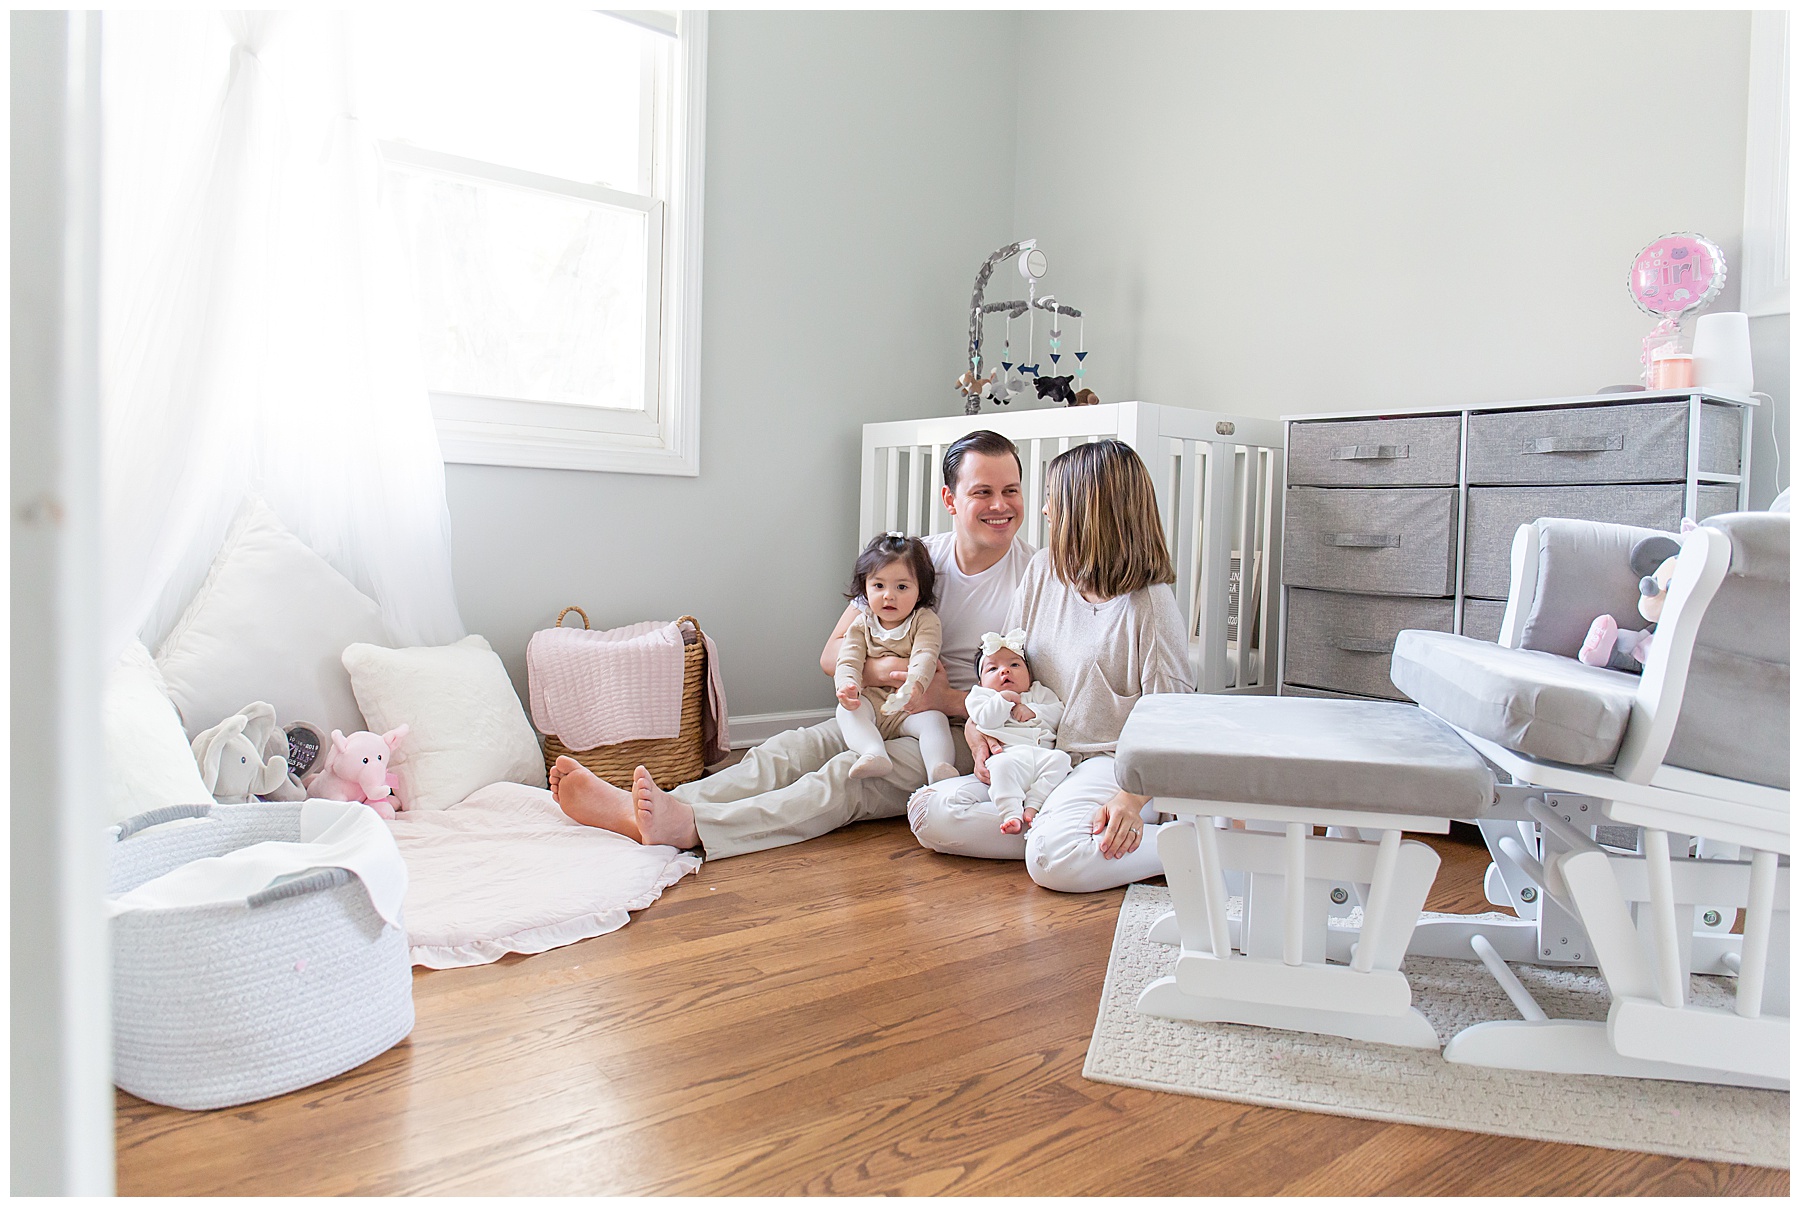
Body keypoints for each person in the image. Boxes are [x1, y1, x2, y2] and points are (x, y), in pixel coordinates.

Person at [551, 430, 1036, 857]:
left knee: (843, 779)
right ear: (951, 500)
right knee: (786, 752)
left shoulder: (1035, 577)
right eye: (983, 492)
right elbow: (832, 654)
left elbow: (1038, 692)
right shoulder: (914, 562)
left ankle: (693, 827)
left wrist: (946, 699)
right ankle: (660, 805)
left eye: (1011, 490)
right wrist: (878, 675)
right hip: (879, 707)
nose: (1001, 505)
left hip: (958, 731)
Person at [908, 438, 1193, 891]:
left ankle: (1190, 845)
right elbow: (1006, 663)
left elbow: (1174, 722)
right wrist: (978, 726)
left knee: (1052, 862)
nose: (1043, 512)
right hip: (1039, 749)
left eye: (1052, 501)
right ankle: (1058, 830)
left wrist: (1130, 800)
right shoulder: (1044, 570)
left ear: (1086, 512)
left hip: (1110, 766)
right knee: (929, 812)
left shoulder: (1149, 605)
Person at [833, 532, 957, 784]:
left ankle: (940, 768)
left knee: (935, 721)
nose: (889, 595)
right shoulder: (861, 624)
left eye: (901, 587)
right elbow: (848, 660)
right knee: (845, 714)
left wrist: (916, 685)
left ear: (920, 591)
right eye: (879, 586)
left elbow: (926, 655)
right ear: (865, 588)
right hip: (871, 704)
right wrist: (847, 686)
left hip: (911, 707)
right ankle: (873, 753)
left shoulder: (924, 621)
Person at [963, 629, 1068, 835]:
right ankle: (1011, 813)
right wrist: (1006, 699)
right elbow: (985, 719)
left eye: (1014, 664)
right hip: (1008, 755)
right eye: (993, 669)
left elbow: (1059, 713)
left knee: (1061, 761)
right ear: (980, 682)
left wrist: (1032, 711)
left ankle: (1033, 804)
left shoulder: (1038, 692)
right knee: (1000, 768)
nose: (1005, 671)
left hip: (1042, 755)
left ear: (1029, 674)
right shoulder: (980, 697)